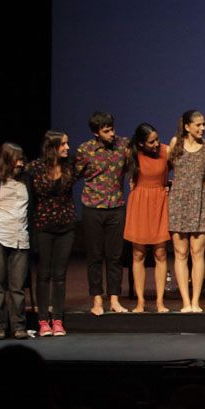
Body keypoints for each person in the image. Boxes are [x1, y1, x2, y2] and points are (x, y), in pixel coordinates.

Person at [74, 111, 129, 315]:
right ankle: (97, 300)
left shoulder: (123, 145)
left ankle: (114, 299)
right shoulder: (85, 150)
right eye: (107, 131)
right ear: (96, 133)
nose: (112, 134)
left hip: (116, 207)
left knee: (115, 256)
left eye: (112, 129)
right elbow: (72, 173)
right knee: (95, 256)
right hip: (93, 207)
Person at [167, 109, 205, 313]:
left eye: (204, 124)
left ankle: (196, 301)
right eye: (198, 124)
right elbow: (167, 168)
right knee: (180, 253)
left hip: (200, 201)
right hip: (179, 201)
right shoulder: (174, 144)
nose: (202, 128)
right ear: (187, 127)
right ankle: (185, 302)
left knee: (198, 253)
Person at [29, 131, 76, 335]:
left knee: (59, 275)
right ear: (52, 147)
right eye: (63, 144)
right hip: (43, 226)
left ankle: (57, 319)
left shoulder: (69, 165)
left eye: (67, 143)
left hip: (66, 226)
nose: (67, 147)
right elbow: (11, 171)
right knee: (43, 274)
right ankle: (42, 321)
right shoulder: (35, 167)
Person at [123, 123, 170, 313]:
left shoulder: (166, 151)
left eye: (157, 139)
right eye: (151, 142)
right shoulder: (132, 153)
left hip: (159, 201)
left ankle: (160, 302)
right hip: (140, 201)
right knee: (138, 253)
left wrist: (170, 186)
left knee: (160, 253)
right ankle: (140, 301)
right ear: (141, 144)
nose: (156, 143)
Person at [0, 143, 34, 339]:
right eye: (16, 158)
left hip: (20, 237)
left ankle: (18, 326)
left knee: (17, 286)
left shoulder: (27, 179)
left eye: (21, 158)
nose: (20, 162)